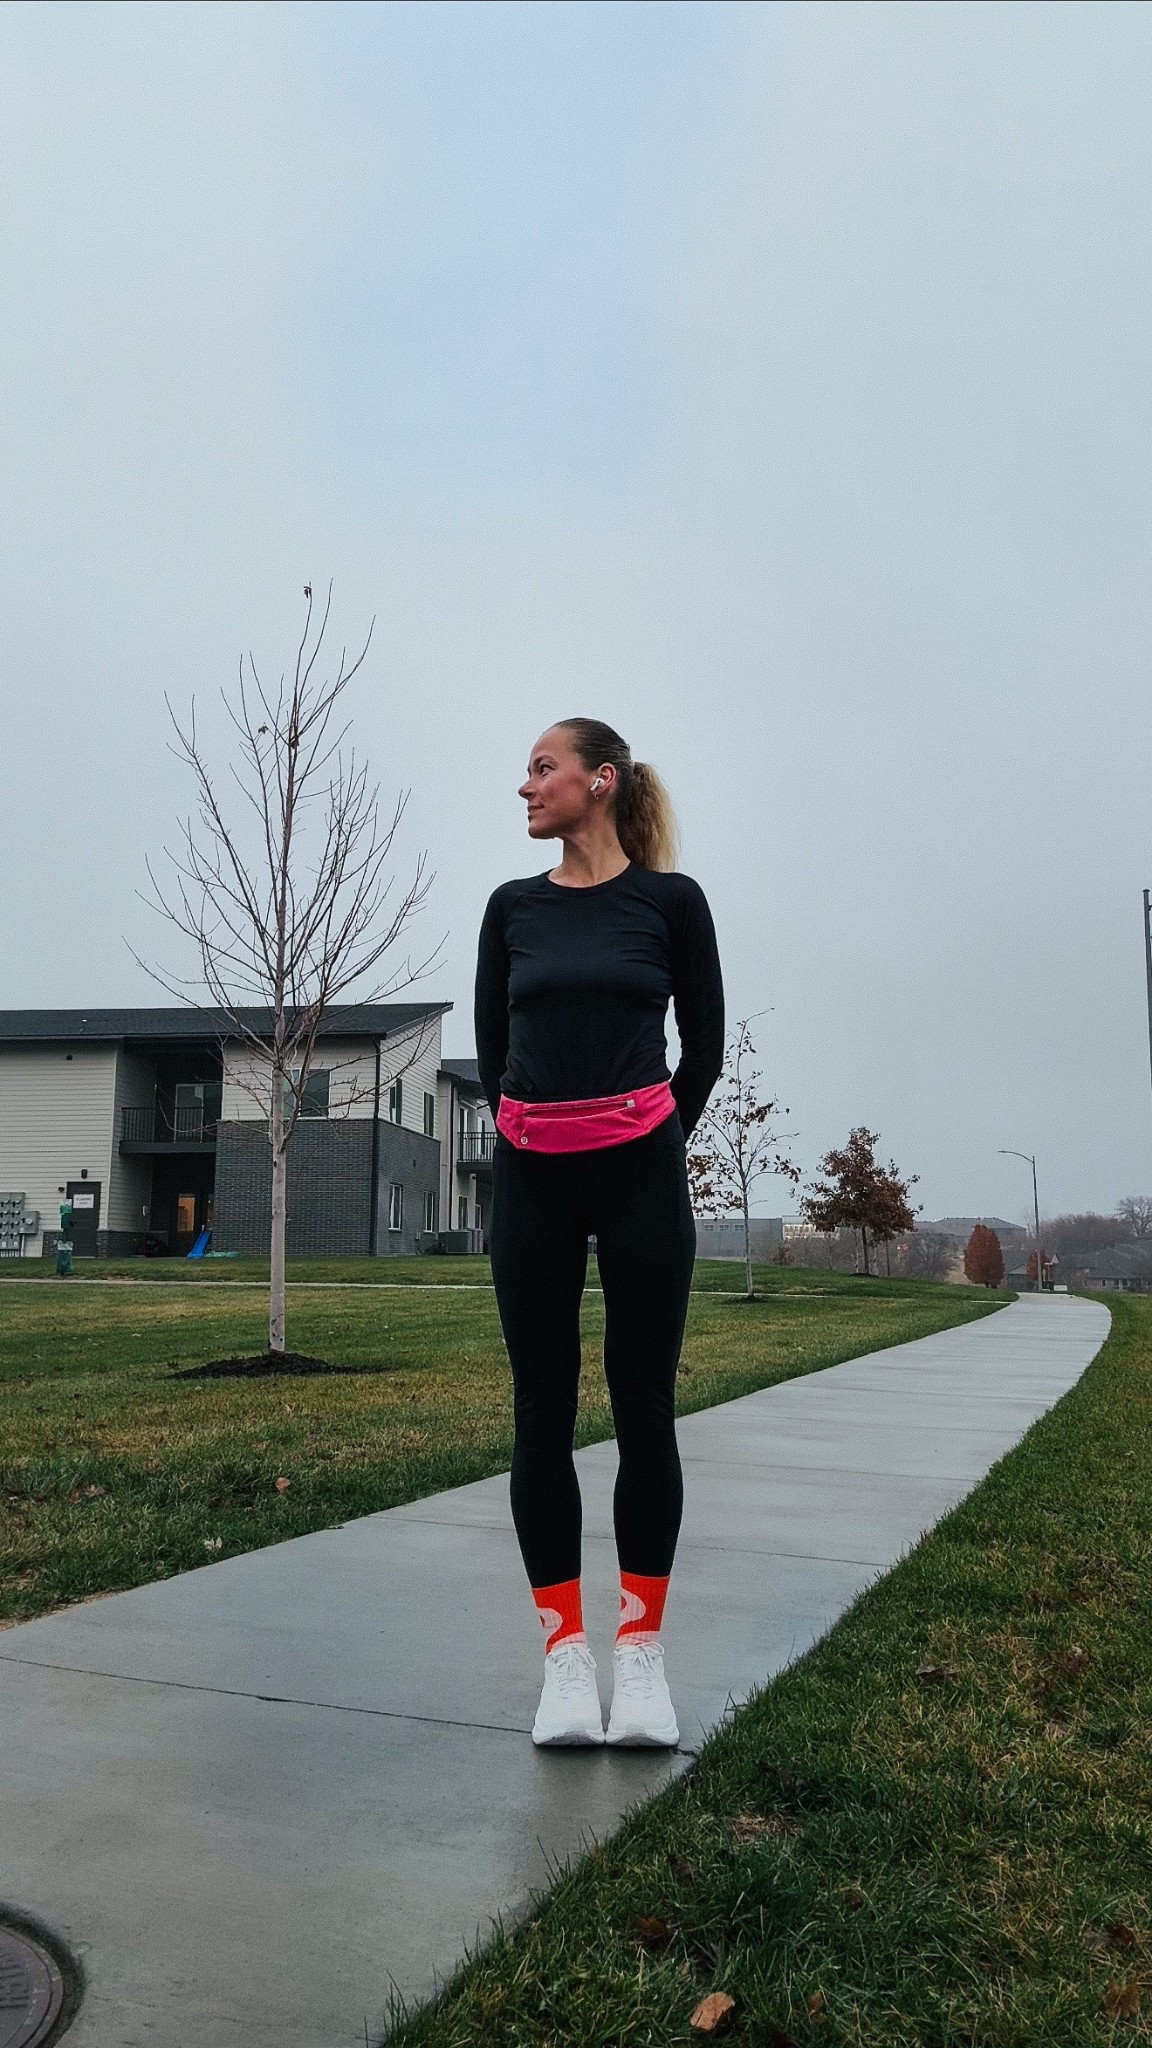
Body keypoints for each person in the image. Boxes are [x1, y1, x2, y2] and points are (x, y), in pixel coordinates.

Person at [475, 718, 724, 1747]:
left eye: (543, 767)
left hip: (638, 1178)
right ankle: (566, 1661)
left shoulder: (671, 902)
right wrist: (541, 1133)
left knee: (644, 1406)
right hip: (532, 1180)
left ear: (599, 779)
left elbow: (700, 1054)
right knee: (542, 1409)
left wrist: (641, 1138)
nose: (524, 784)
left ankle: (641, 1656)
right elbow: (494, 1058)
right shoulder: (511, 908)